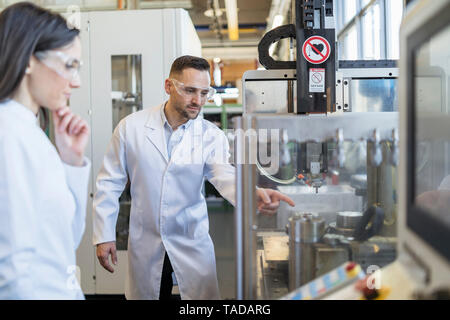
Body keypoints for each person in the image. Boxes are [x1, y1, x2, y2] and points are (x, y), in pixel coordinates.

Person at [93, 55, 295, 300]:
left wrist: (253, 194)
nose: (197, 101)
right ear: (168, 86)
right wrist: (104, 235)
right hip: (145, 240)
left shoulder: (210, 135)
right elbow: (109, 182)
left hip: (190, 239)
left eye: (204, 93)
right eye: (189, 91)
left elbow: (225, 176)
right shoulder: (131, 127)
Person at [0, 2, 90, 299]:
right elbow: (11, 269)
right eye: (68, 65)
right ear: (28, 59)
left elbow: (65, 239)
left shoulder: (31, 132)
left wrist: (72, 161)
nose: (74, 82)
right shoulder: (8, 133)